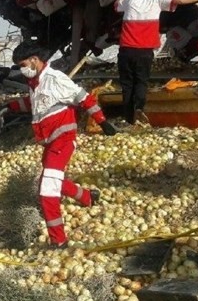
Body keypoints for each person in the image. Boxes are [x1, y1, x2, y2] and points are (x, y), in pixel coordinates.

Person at [7, 41, 116, 248]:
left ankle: (58, 241)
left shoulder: (55, 79)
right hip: (49, 142)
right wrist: (9, 106)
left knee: (47, 189)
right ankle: (87, 197)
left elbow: (83, 98)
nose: (22, 70)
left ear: (34, 60)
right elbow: (34, 104)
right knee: (51, 180)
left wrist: (103, 122)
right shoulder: (36, 83)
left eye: (23, 65)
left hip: (63, 140)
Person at [114, 0, 198, 124]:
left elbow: (117, 5)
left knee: (127, 84)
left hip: (126, 50)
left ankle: (128, 117)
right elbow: (180, 0)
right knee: (141, 81)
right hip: (145, 51)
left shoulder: (130, 0)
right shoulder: (157, 0)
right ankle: (140, 108)